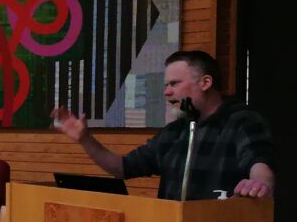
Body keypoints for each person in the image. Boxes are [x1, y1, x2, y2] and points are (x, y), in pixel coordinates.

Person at [51, 50, 275, 200]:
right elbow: (122, 168)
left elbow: (259, 162)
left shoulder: (242, 120)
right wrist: (85, 139)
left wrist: (258, 184)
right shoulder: (175, 132)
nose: (167, 92)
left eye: (174, 84)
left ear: (205, 82)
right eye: (166, 85)